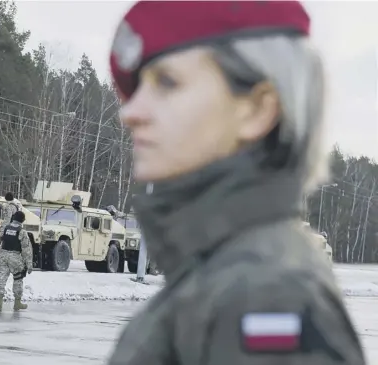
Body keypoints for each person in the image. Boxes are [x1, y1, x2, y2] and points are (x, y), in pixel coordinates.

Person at [106, 1, 366, 364]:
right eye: (138, 88)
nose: (130, 112)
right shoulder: (225, 275)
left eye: (167, 82)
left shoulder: (265, 296)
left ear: (258, 109)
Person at [0, 211, 33, 312]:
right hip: (15, 258)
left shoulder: (5, 228)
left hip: (3, 256)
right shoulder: (22, 232)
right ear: (23, 220)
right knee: (18, 279)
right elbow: (26, 249)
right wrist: (29, 265)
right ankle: (17, 303)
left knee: (1, 279)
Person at [0, 192, 23, 257]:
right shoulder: (17, 205)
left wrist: (2, 231)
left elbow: (7, 219)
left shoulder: (8, 206)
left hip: (7, 229)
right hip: (15, 228)